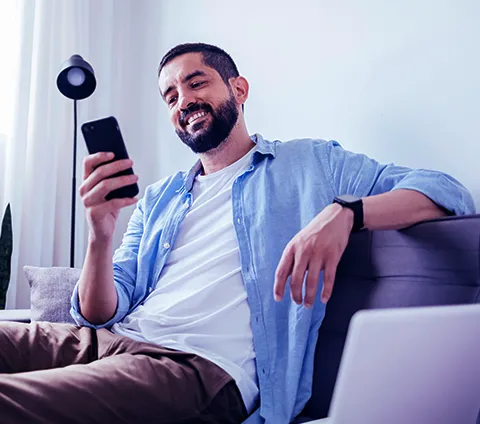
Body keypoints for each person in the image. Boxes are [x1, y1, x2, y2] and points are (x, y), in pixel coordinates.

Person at [0, 43, 475, 424]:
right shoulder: (159, 199)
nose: (183, 101)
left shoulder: (310, 163)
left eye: (195, 82)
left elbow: (444, 190)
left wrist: (345, 213)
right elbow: (101, 312)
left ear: (239, 88)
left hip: (194, 369)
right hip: (108, 340)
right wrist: (99, 236)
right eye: (170, 97)